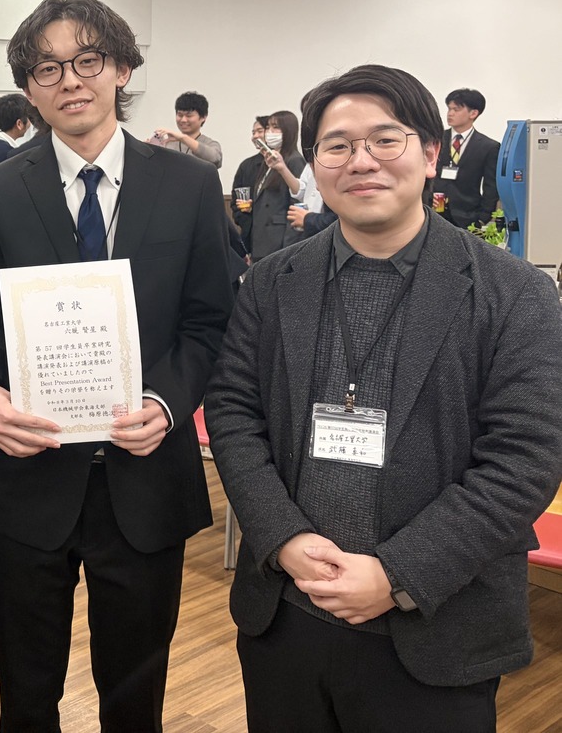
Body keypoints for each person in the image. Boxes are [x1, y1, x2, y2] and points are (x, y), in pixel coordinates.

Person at [205, 64, 562, 733]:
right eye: (337, 145)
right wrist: (283, 536)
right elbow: (232, 412)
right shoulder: (273, 282)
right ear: (315, 163)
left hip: (437, 626)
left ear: (429, 153)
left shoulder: (513, 293)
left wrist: (396, 572)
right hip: (286, 617)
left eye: (385, 140)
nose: (361, 160)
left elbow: (525, 459)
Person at [0, 0, 235, 732]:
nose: (70, 81)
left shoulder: (188, 185)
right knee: (25, 693)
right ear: (29, 86)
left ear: (122, 68)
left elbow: (209, 322)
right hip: (29, 475)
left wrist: (168, 403)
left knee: (135, 695)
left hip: (144, 478)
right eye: (47, 68)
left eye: (87, 60)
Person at [237, 111, 306, 261]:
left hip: (280, 242)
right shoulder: (268, 160)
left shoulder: (294, 160)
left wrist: (289, 248)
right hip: (261, 239)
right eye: (268, 127)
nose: (270, 132)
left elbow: (297, 204)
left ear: (288, 131)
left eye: (275, 127)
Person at [436, 88, 500, 229]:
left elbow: (490, 187)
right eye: (449, 109)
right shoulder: (436, 139)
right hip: (434, 211)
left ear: (473, 113)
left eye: (456, 109)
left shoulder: (488, 147)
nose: (450, 113)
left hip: (467, 217)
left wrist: (482, 218)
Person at [150, 90, 223, 169]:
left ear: (203, 117)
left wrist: (183, 138)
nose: (183, 120)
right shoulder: (167, 143)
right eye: (180, 115)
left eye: (189, 116)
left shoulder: (210, 143)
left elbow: (215, 159)